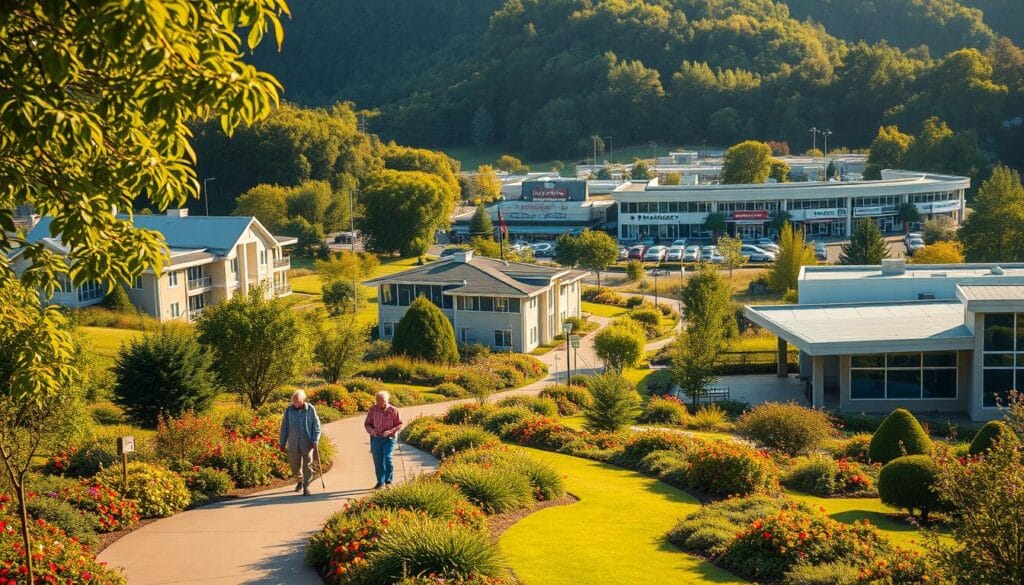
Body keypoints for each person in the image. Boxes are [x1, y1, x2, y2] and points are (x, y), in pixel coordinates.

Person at [279, 390, 322, 496]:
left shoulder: (310, 409)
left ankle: (306, 486)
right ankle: (299, 480)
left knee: (307, 465)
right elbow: (284, 428)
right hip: (293, 443)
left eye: (298, 402)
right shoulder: (289, 410)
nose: (296, 404)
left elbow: (316, 426)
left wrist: (315, 439)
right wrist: (282, 443)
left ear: (303, 400)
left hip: (307, 442)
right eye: (294, 402)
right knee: (294, 466)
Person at [363, 391, 403, 489]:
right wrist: (371, 431)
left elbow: (399, 424)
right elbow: (367, 423)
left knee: (387, 458)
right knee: (378, 460)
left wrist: (390, 431)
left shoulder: (393, 410)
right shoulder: (372, 409)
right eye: (378, 400)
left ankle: (388, 481)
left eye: (382, 400)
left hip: (389, 438)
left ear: (387, 400)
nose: (380, 403)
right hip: (376, 437)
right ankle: (380, 482)